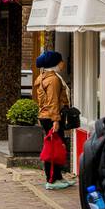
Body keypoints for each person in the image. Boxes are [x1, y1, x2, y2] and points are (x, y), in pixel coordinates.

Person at [33, 51, 74, 189]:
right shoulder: (53, 80)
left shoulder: (44, 77)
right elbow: (53, 101)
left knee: (56, 147)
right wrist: (56, 120)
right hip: (52, 117)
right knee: (53, 149)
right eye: (61, 60)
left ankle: (58, 177)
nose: (63, 63)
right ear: (55, 63)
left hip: (47, 116)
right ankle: (52, 180)